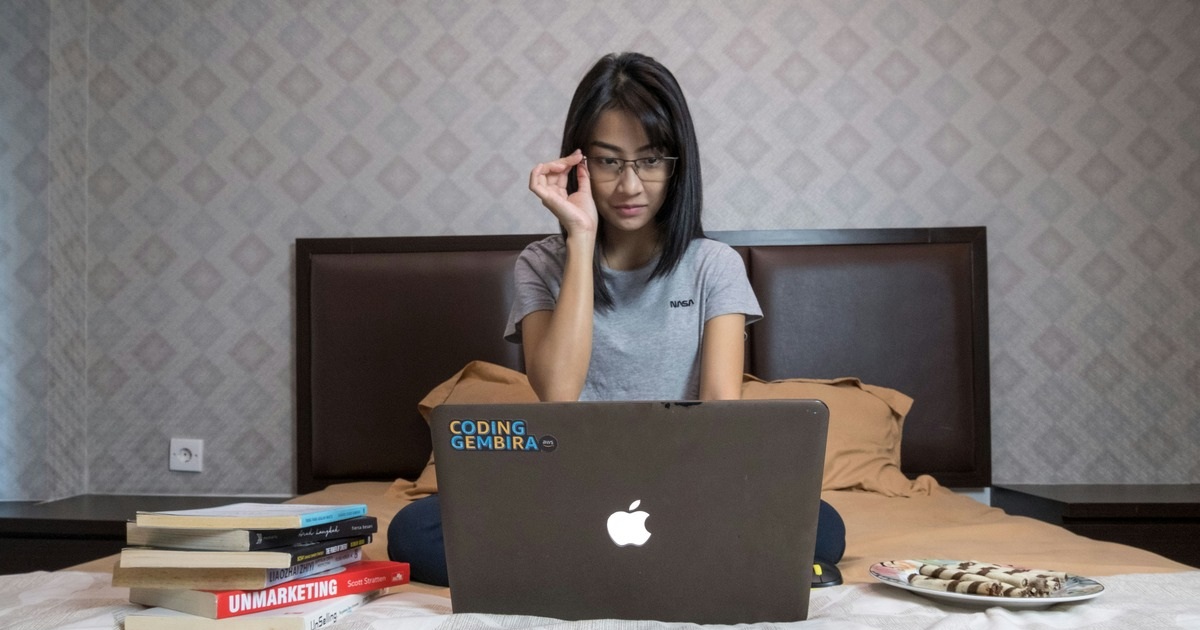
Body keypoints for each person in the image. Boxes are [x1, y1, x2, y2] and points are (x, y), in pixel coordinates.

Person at [389, 52, 844, 586]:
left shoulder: (712, 266)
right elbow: (558, 392)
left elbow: (723, 419)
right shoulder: (540, 263)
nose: (630, 186)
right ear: (578, 164)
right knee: (412, 530)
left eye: (650, 160)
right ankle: (668, 565)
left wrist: (692, 492)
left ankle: (579, 568)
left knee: (823, 525)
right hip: (564, 487)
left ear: (678, 164)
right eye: (608, 162)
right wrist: (580, 238)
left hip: (684, 489)